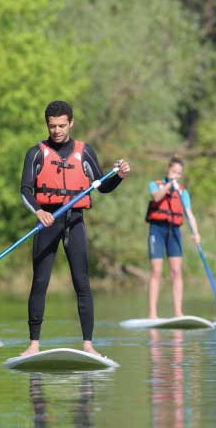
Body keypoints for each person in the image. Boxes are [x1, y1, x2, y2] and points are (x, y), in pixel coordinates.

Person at [19, 100, 130, 356]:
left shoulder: (85, 151)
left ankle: (88, 345)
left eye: (61, 125)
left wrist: (119, 178)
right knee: (40, 282)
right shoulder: (35, 153)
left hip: (75, 220)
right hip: (47, 220)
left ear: (71, 123)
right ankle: (33, 345)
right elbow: (25, 189)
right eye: (52, 126)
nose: (56, 130)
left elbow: (101, 185)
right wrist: (38, 211)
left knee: (82, 283)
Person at [145, 155, 201, 319]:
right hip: (157, 230)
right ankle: (152, 314)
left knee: (176, 271)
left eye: (179, 173)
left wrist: (196, 233)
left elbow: (189, 214)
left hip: (174, 230)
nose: (176, 175)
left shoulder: (183, 192)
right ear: (168, 170)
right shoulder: (155, 184)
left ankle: (178, 312)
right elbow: (156, 197)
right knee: (156, 271)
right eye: (174, 171)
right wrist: (169, 184)